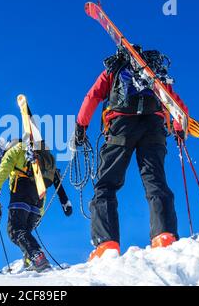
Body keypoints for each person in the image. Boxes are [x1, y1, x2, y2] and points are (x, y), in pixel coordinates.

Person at [74, 46, 186, 260]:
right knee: (155, 181)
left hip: (121, 126)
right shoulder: (153, 72)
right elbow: (173, 101)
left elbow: (93, 95)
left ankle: (106, 244)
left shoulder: (114, 69)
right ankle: (164, 236)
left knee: (106, 185)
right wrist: (180, 129)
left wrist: (81, 127)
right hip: (153, 126)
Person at [0, 139, 52, 273]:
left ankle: (37, 256)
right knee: (25, 233)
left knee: (15, 230)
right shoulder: (35, 155)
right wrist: (40, 211)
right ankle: (31, 263)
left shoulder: (16, 150)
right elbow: (42, 186)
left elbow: (4, 169)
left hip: (21, 191)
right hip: (37, 199)